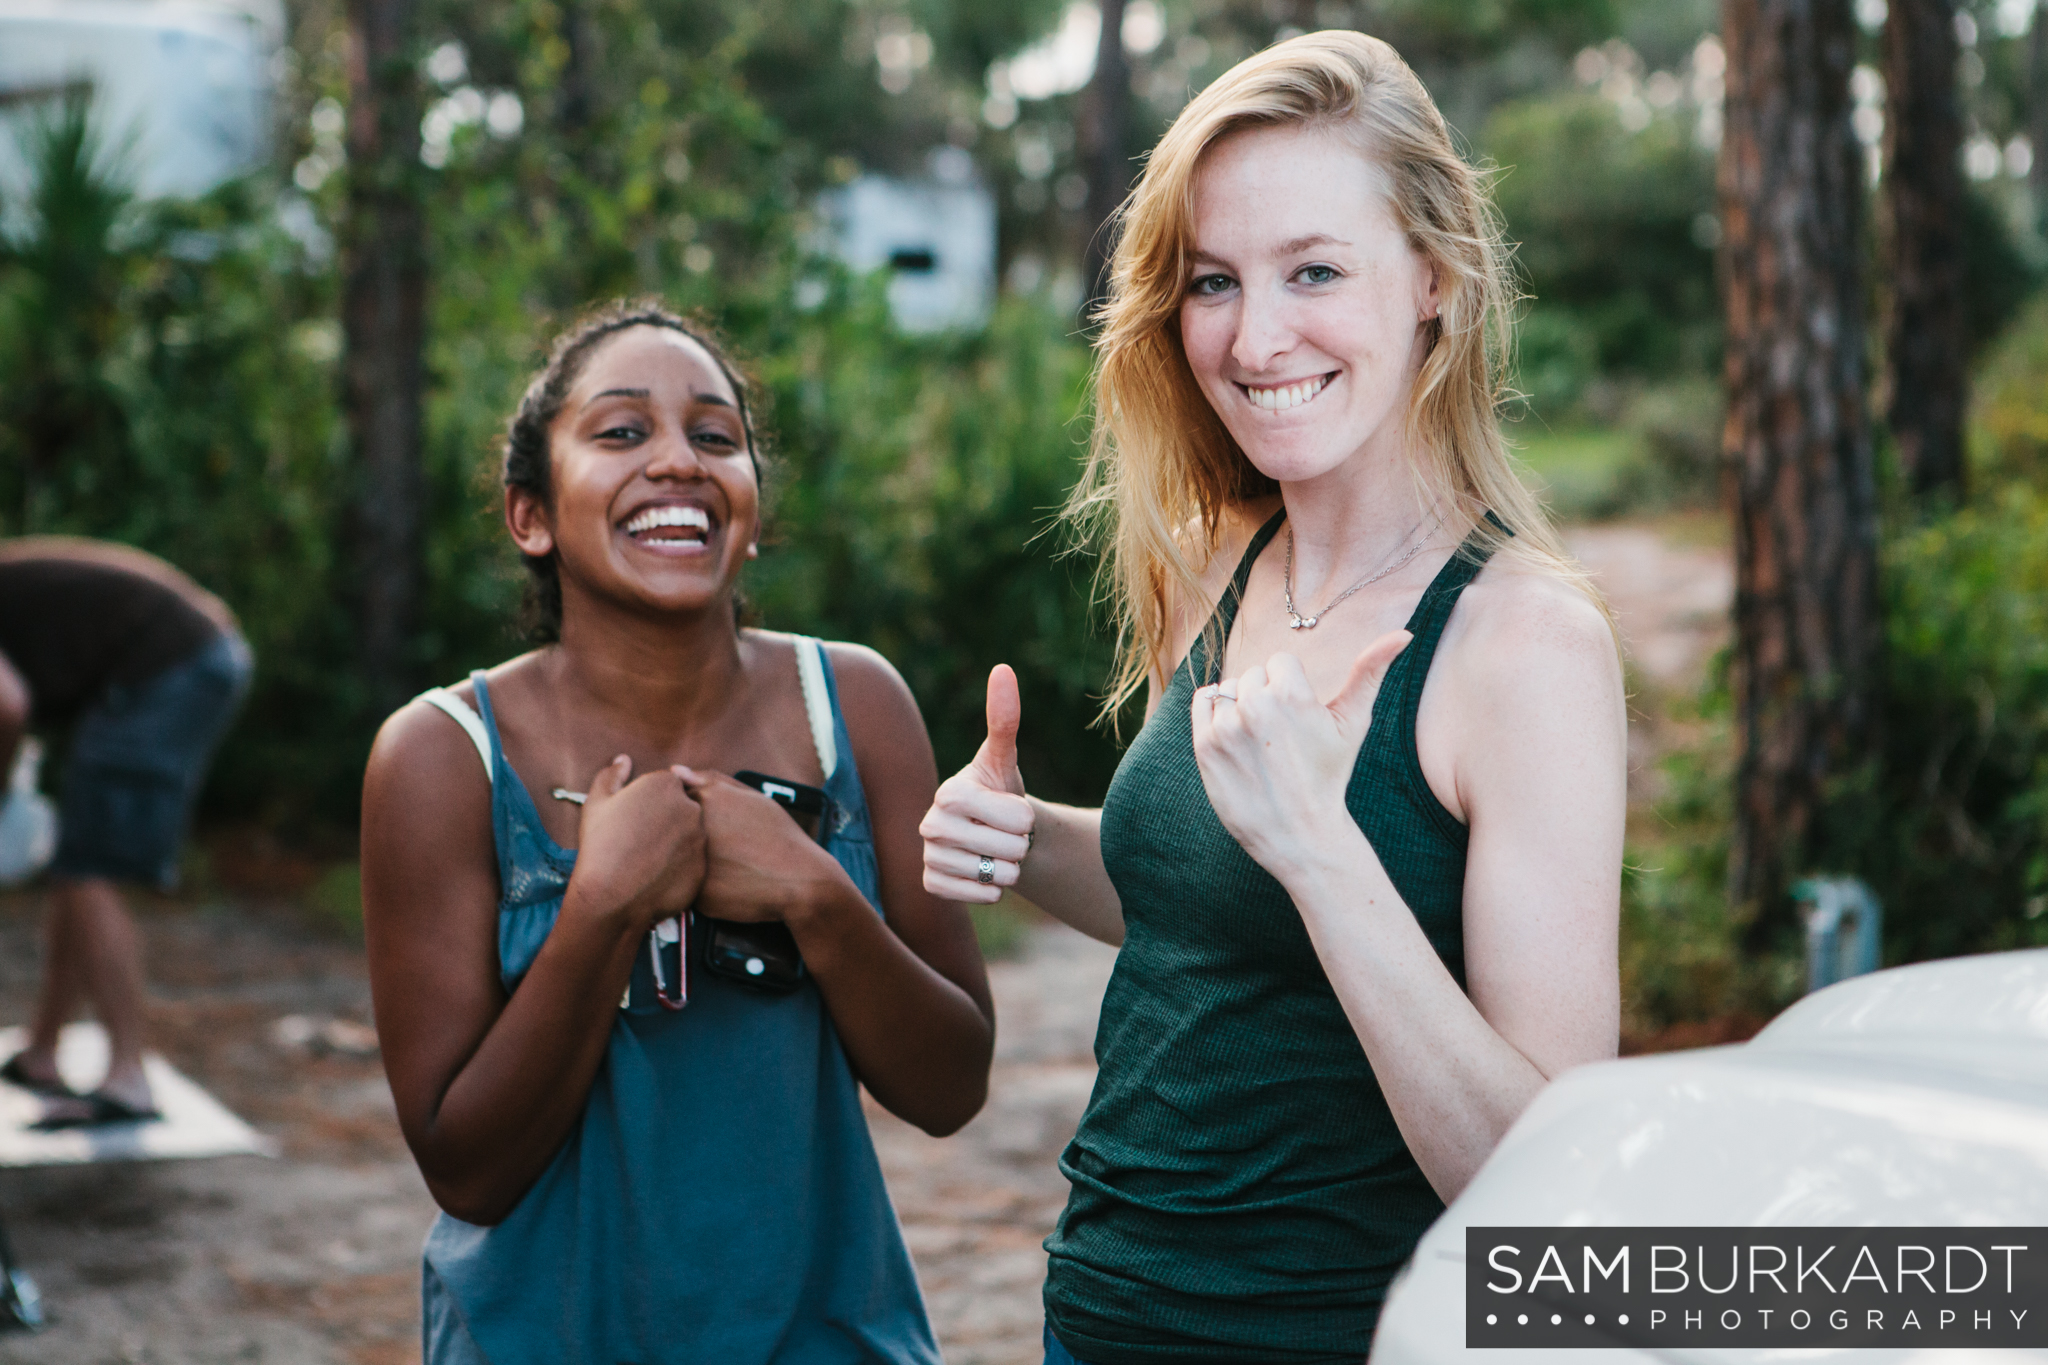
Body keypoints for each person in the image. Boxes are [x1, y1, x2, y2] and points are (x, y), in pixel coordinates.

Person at [920, 31, 1627, 1365]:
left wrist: (1321, 848)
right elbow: (1205, 908)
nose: (1253, 339)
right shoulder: (1219, 561)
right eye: (1212, 282)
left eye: (1314, 270)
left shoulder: (1522, 644)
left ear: (1435, 278)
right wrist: (1027, 842)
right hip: (1105, 1312)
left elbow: (1543, 1183)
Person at [360, 301, 994, 1365]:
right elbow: (467, 1169)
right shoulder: (438, 756)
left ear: (752, 504)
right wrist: (602, 905)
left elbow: (950, 1086)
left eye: (714, 436)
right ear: (531, 515)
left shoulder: (856, 707)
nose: (676, 463)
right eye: (620, 433)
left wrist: (815, 895)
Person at [0, 538, 253, 1124]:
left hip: (172, 668)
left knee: (93, 869)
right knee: (78, 861)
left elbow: (8, 707)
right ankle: (43, 1050)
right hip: (182, 659)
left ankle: (127, 1077)